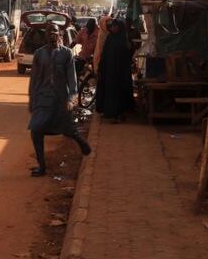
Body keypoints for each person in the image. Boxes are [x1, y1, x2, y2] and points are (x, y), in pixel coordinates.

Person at [28, 24, 92, 177]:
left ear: (59, 34)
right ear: (46, 35)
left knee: (67, 129)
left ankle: (81, 142)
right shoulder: (39, 54)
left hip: (60, 100)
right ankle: (41, 166)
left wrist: (72, 98)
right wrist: (32, 99)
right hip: (43, 99)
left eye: (54, 32)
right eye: (49, 32)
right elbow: (34, 78)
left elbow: (72, 78)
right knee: (36, 130)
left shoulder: (67, 54)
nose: (52, 34)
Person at [95, 18, 134, 122]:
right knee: (110, 91)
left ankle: (119, 115)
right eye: (112, 26)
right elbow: (105, 53)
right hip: (109, 70)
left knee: (119, 92)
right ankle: (110, 112)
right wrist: (101, 67)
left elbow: (128, 54)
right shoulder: (110, 38)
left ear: (119, 27)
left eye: (115, 26)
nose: (112, 28)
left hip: (121, 72)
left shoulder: (124, 39)